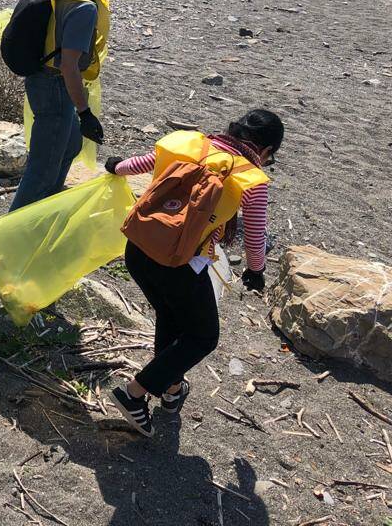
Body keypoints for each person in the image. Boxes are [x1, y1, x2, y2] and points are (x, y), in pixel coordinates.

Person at [104, 110, 282, 437]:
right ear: (266, 150)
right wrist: (256, 271)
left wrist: (116, 166)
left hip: (139, 248)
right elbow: (256, 238)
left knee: (171, 315)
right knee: (203, 336)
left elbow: (144, 162)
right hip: (178, 263)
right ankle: (133, 394)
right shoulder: (251, 179)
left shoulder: (192, 144)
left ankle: (171, 389)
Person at [9, 0, 139, 211]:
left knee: (69, 146)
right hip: (53, 87)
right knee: (42, 168)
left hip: (48, 83)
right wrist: (85, 113)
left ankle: (43, 211)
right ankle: (13, 235)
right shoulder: (85, 7)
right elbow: (69, 67)